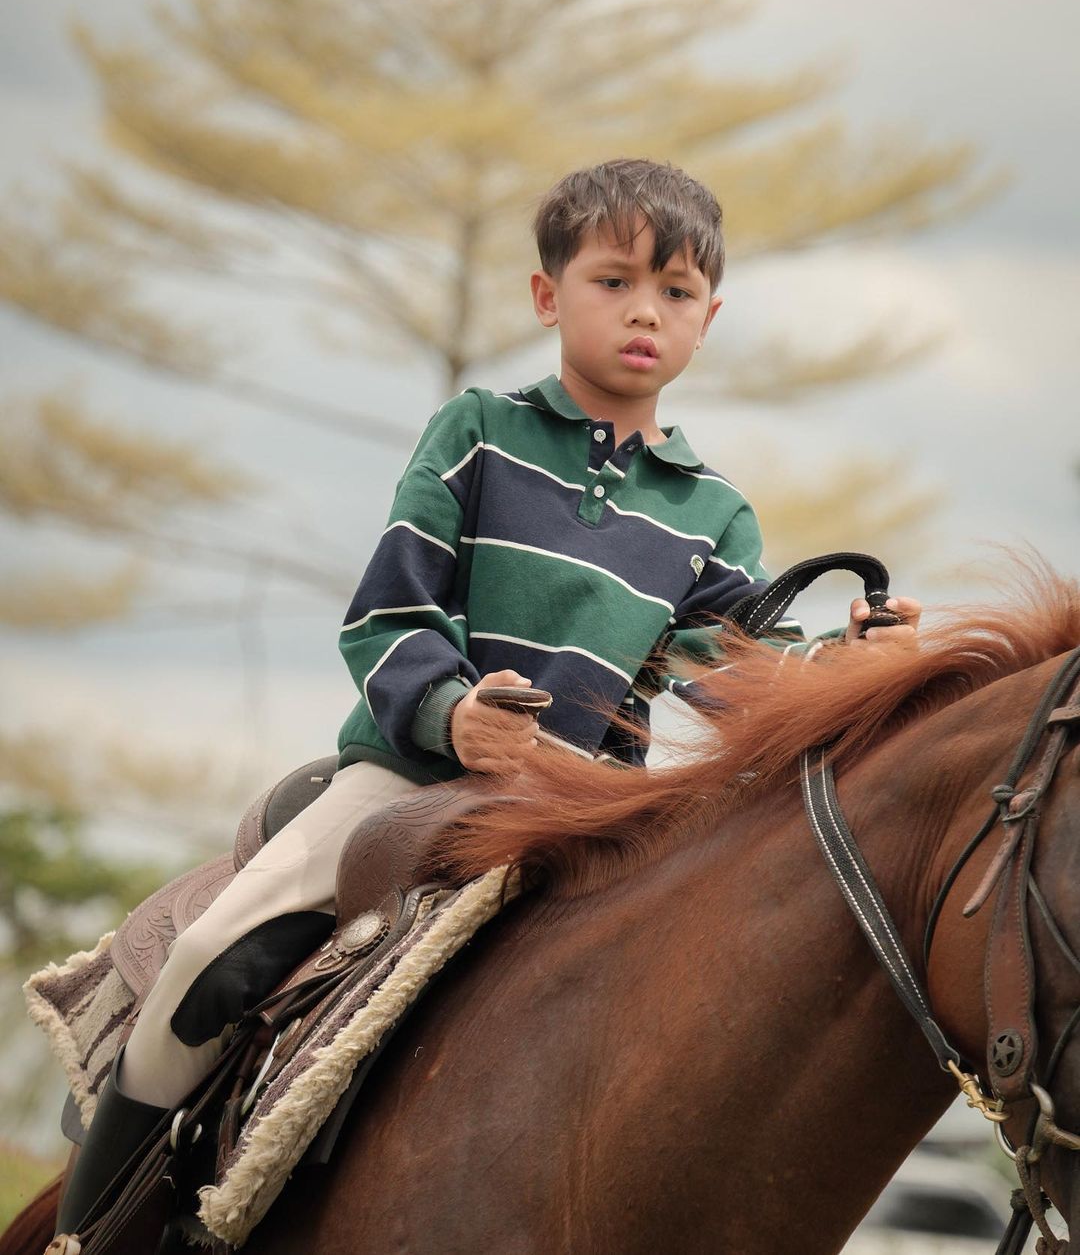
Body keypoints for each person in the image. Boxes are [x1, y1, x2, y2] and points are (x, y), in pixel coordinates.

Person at [53, 158, 921, 1239]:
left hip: (591, 821)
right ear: (548, 296)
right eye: (613, 282)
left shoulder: (714, 513)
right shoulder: (476, 432)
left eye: (678, 293)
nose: (645, 312)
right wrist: (452, 712)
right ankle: (91, 1233)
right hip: (405, 781)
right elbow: (385, 620)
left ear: (709, 320)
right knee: (205, 960)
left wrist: (849, 659)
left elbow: (746, 671)